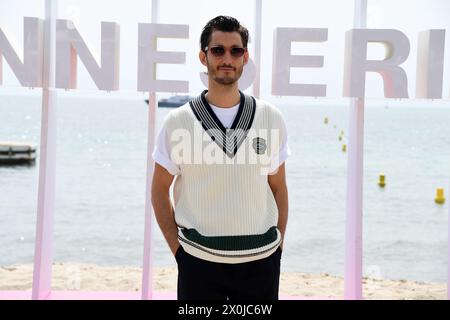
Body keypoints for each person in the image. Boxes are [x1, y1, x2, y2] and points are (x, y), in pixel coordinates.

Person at [151, 15, 290, 300]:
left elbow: (279, 187)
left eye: (235, 50)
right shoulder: (178, 121)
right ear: (203, 56)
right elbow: (158, 190)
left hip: (261, 263)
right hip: (198, 263)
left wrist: (278, 248)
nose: (227, 58)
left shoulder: (270, 118)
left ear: (245, 57)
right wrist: (180, 253)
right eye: (218, 50)